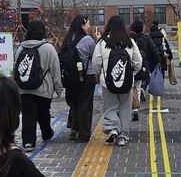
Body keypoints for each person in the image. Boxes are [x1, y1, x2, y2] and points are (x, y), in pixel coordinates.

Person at [92, 15, 143, 147]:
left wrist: (101, 74)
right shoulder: (130, 42)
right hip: (126, 83)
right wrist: (131, 74)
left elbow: (96, 63)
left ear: (108, 26)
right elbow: (138, 62)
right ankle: (123, 137)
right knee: (125, 109)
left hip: (107, 83)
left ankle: (113, 128)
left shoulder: (103, 42)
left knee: (110, 107)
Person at [16, 20, 62, 150]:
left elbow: (16, 67)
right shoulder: (48, 48)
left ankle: (28, 142)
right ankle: (47, 133)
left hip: (24, 88)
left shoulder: (20, 48)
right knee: (43, 112)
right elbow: (55, 69)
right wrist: (58, 87)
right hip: (43, 88)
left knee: (28, 115)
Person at [60, 14, 97, 142]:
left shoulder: (67, 39)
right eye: (87, 23)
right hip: (86, 76)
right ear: (82, 24)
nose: (89, 26)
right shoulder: (87, 40)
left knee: (74, 104)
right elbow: (95, 55)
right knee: (85, 105)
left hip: (70, 77)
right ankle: (84, 134)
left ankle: (73, 129)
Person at [129, 20, 162, 119]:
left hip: (130, 66)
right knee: (138, 87)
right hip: (144, 64)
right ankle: (136, 108)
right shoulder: (147, 38)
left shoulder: (129, 39)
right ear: (142, 28)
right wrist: (158, 62)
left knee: (131, 86)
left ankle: (130, 106)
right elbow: (153, 51)